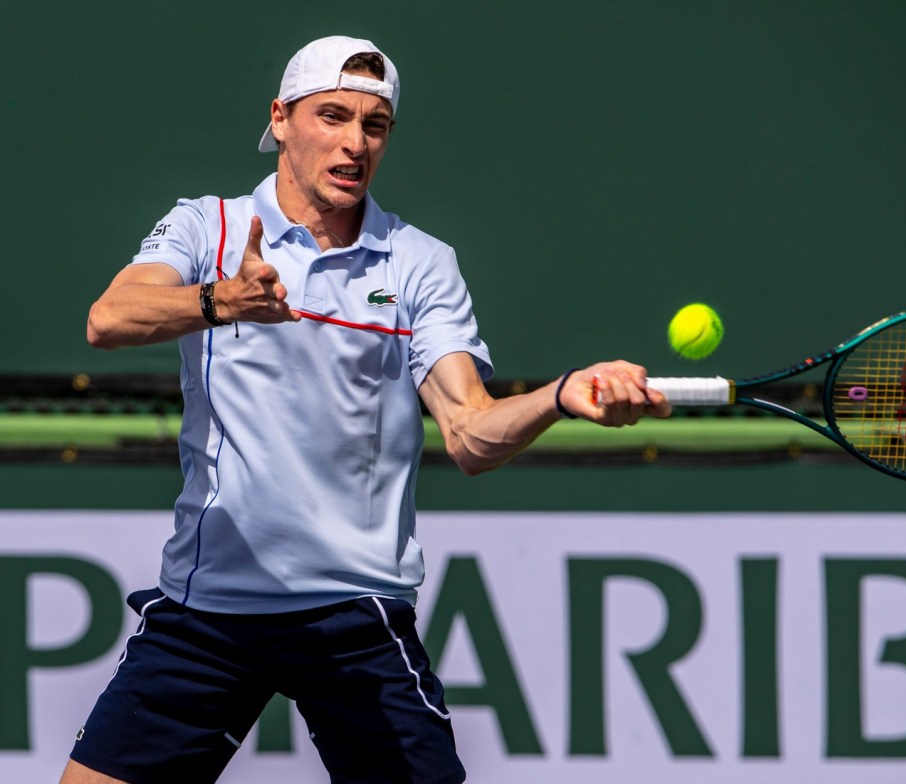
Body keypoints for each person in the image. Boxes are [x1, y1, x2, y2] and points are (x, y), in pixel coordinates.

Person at [63, 35, 670, 784]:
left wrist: (558, 396)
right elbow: (110, 317)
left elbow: (471, 432)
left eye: (374, 125)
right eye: (332, 116)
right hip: (209, 607)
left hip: (350, 610)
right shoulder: (207, 227)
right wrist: (221, 300)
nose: (354, 142)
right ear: (280, 118)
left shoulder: (419, 262)